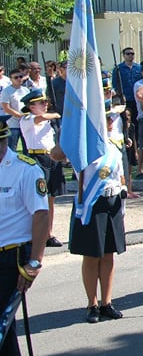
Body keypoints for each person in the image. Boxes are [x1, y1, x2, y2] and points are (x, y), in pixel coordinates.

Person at [65, 79, 128, 323]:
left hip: (112, 202)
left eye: (112, 118)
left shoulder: (113, 144)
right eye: (107, 118)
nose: (111, 121)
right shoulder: (85, 146)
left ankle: (107, 302)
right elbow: (61, 153)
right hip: (92, 203)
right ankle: (91, 304)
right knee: (92, 255)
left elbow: (120, 173)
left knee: (109, 254)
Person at [0, 115, 48, 356]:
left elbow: (41, 216)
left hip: (12, 256)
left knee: (3, 322)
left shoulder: (25, 171)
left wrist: (34, 262)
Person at [18, 89, 63, 247]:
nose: (45, 105)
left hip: (51, 158)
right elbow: (41, 117)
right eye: (41, 102)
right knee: (38, 197)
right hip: (37, 158)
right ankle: (34, 234)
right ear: (31, 106)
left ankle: (48, 233)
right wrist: (56, 114)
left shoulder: (48, 122)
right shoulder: (27, 119)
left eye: (46, 102)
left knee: (51, 197)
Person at [0, 69, 29, 153]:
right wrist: (19, 115)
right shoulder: (6, 91)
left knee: (27, 150)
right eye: (16, 77)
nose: (19, 79)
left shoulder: (25, 90)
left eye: (21, 76)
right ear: (11, 79)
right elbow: (6, 108)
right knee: (11, 149)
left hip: (25, 124)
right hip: (12, 124)